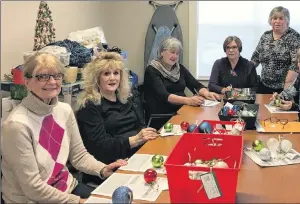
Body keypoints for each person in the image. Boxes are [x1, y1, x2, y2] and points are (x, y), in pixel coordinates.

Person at [1, 53, 127, 203]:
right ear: (27, 82)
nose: (52, 81)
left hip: (67, 187)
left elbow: (79, 156)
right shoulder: (16, 126)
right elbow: (33, 188)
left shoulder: (64, 110)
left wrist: (102, 169)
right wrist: (77, 201)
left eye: (57, 75)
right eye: (42, 76)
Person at [76, 52, 159, 185]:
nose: (112, 78)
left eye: (116, 73)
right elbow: (101, 147)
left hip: (135, 158)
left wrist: (144, 135)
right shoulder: (89, 106)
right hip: (109, 168)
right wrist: (135, 139)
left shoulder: (125, 99)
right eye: (106, 74)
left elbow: (139, 126)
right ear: (96, 77)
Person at [144, 37, 220, 118]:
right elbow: (165, 96)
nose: (175, 56)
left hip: (181, 109)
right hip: (163, 115)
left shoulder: (179, 68)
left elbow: (196, 85)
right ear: (161, 52)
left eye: (177, 53)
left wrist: (207, 93)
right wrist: (189, 100)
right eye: (172, 52)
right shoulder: (152, 70)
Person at [251, 6, 300, 94]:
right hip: (264, 85)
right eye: (274, 18)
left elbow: (296, 64)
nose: (277, 21)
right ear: (270, 20)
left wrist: (286, 92)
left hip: (286, 87)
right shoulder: (265, 36)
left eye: (281, 18)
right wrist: (243, 71)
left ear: (287, 20)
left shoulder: (295, 37)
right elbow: (256, 57)